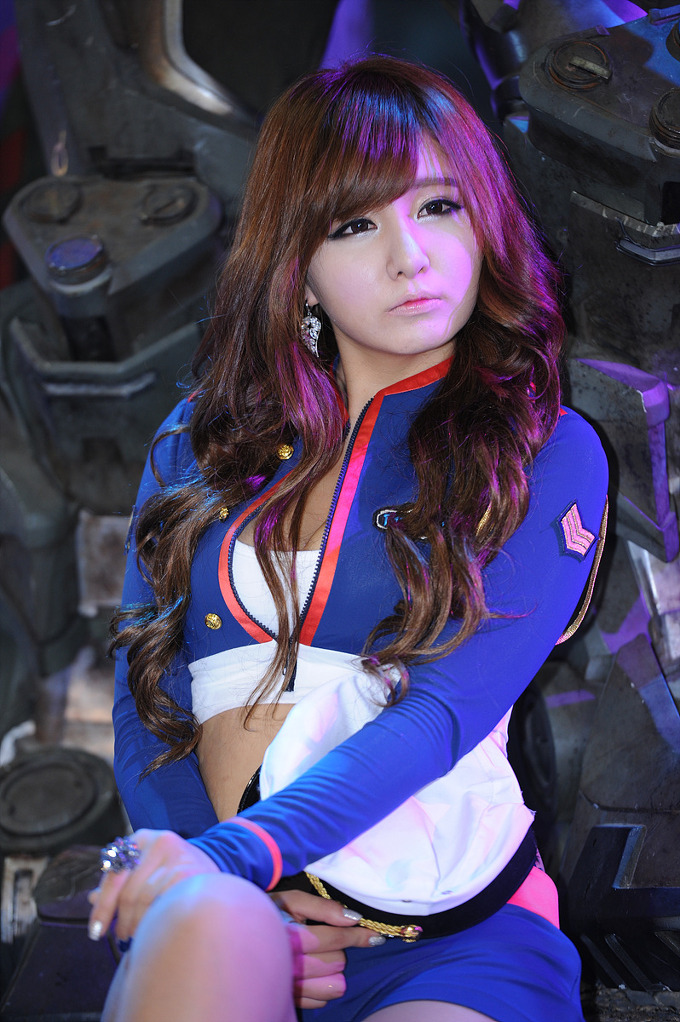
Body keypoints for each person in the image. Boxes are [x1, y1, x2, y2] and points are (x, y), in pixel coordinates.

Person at [88, 55, 608, 1022]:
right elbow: (144, 699)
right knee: (202, 931)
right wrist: (214, 890)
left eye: (440, 207)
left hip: (450, 937)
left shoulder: (547, 452)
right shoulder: (196, 440)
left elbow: (442, 712)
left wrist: (231, 860)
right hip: (236, 910)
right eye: (355, 225)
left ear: (487, 222)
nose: (410, 256)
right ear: (300, 265)